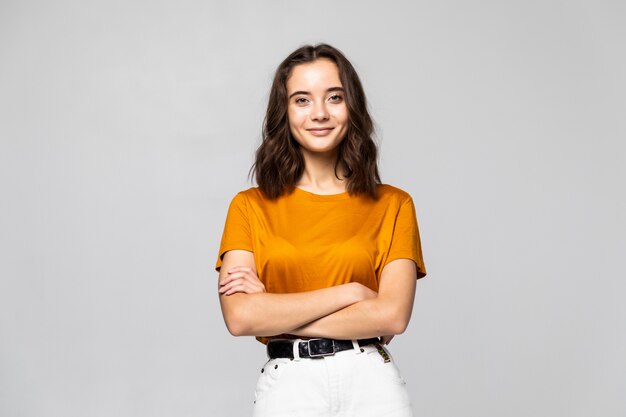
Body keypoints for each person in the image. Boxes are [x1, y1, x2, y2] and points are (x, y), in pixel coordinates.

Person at [215, 43, 427, 417]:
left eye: (334, 97)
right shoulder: (249, 206)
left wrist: (276, 310)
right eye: (302, 100)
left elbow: (393, 316)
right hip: (290, 387)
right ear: (285, 112)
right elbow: (241, 318)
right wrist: (354, 293)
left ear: (352, 108)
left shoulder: (394, 204)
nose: (320, 113)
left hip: (371, 385)